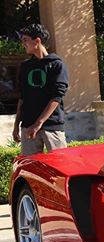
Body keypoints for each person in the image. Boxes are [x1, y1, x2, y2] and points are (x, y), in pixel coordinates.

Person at [12, 24, 68, 156]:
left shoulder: (57, 65)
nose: (23, 44)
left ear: (37, 41)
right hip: (28, 127)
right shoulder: (25, 67)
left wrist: (39, 124)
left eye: (25, 40)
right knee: (30, 169)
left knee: (61, 166)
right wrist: (16, 126)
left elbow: (57, 96)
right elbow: (22, 97)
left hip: (52, 126)